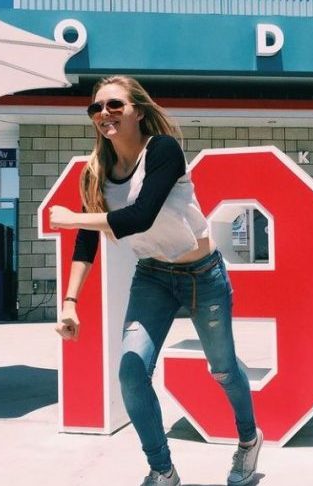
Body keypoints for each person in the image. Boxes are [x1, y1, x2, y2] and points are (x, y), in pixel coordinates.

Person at [49, 75, 262, 486]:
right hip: (153, 275)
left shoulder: (163, 151)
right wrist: (70, 302)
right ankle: (162, 470)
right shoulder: (95, 171)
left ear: (138, 111)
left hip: (203, 273)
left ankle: (249, 440)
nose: (104, 114)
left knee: (222, 370)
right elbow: (86, 242)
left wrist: (75, 217)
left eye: (114, 105)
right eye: (96, 108)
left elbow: (141, 215)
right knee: (131, 370)